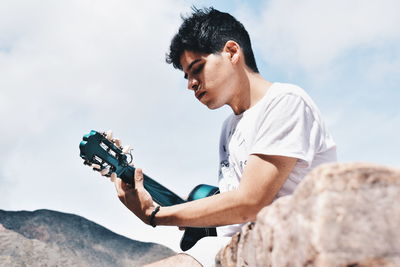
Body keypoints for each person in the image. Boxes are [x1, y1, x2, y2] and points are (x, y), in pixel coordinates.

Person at [113, 7, 336, 266]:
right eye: (186, 76)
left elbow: (250, 203)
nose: (191, 84)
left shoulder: (285, 101)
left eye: (197, 68)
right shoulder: (229, 128)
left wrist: (155, 215)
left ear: (231, 52)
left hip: (287, 248)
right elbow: (232, 203)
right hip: (232, 249)